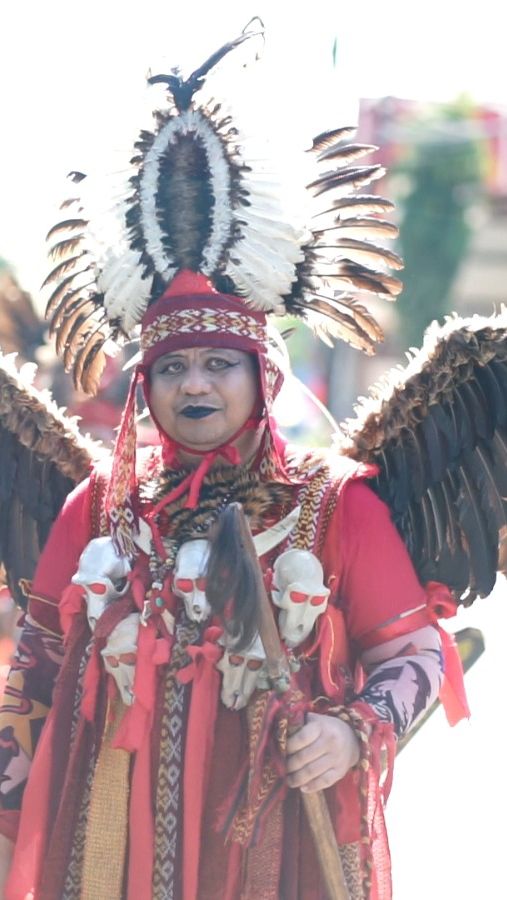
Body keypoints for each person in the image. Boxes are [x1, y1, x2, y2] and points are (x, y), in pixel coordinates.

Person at [0, 27, 465, 900]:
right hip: (106, 843)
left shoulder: (335, 506)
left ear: (263, 374)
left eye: (219, 364)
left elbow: (413, 653)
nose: (194, 384)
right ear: (145, 385)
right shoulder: (96, 507)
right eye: (171, 367)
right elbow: (33, 672)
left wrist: (353, 730)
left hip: (277, 842)